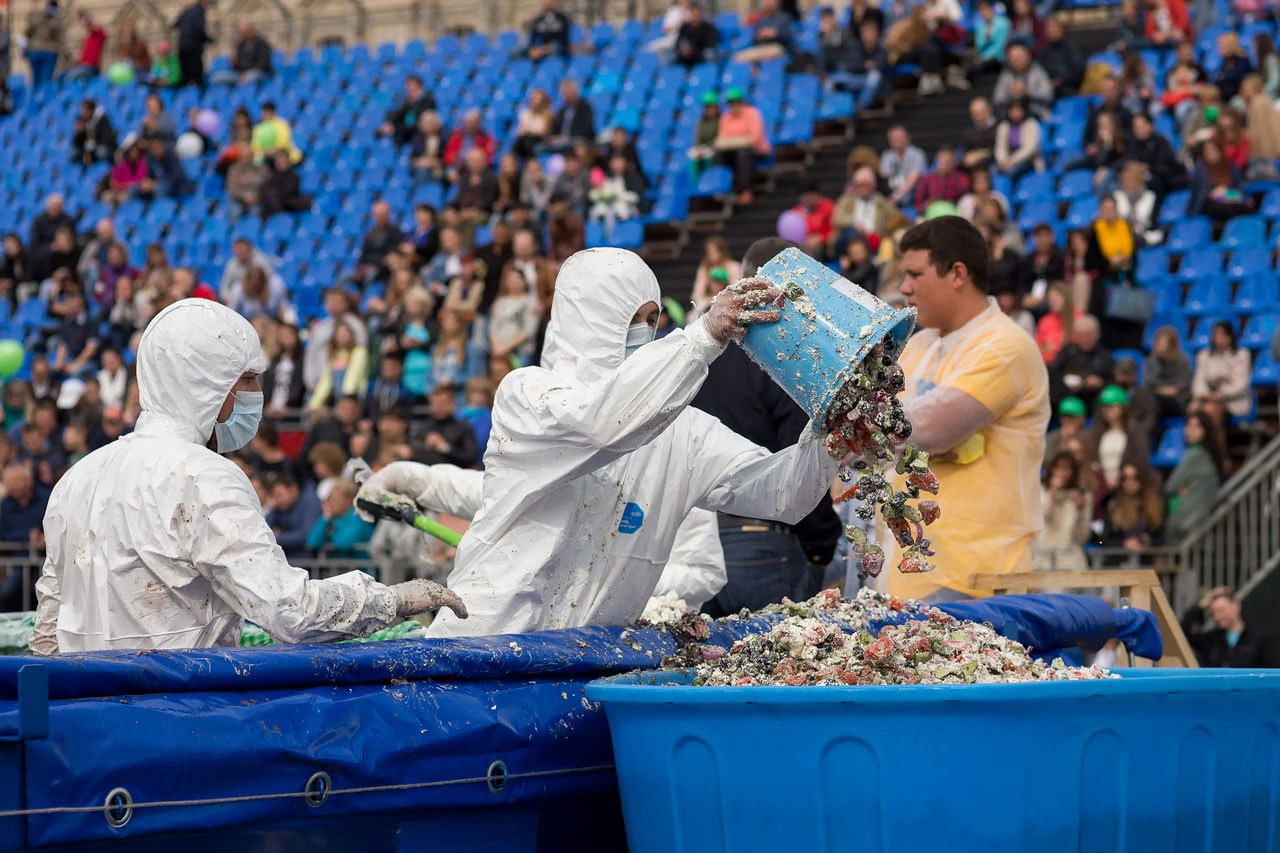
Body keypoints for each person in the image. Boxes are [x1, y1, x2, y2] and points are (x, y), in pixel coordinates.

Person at [357, 248, 835, 635]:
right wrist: (703, 337)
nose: (648, 331)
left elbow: (784, 493)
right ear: (592, 319)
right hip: (485, 654)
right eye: (635, 318)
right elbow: (602, 424)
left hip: (584, 667)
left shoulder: (685, 430)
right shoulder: (528, 394)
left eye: (654, 318)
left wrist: (832, 433)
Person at [31, 299, 465, 654]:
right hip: (180, 723)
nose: (257, 395)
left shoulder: (76, 477)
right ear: (211, 388)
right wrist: (395, 600)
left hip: (82, 724)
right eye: (249, 379)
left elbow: (48, 632)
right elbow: (288, 611)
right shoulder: (203, 476)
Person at [888, 216, 1050, 602]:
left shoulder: (1006, 346)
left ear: (958, 274)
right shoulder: (917, 345)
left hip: (978, 579)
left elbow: (927, 428)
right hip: (907, 576)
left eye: (915, 274)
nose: (903, 288)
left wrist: (864, 423)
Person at [690, 238, 841, 615]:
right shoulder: (788, 357)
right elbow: (803, 456)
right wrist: (823, 544)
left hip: (699, 543)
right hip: (767, 542)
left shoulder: (701, 350)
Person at [1164, 411, 1224, 543]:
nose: (1190, 431)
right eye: (1188, 426)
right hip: (1196, 521)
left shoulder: (1196, 454)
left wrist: (1182, 488)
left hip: (1185, 522)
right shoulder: (1207, 455)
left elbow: (1170, 486)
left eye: (1196, 427)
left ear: (1205, 431)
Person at [1180, 587, 1275, 668]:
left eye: (1221, 610)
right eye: (1213, 612)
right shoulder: (1212, 639)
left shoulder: (1259, 637)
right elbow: (1181, 635)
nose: (1217, 617)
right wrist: (1200, 605)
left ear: (1236, 607)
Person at [1033, 451, 1092, 573]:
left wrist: (1081, 511)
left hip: (1070, 561)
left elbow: (1082, 536)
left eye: (1066, 469)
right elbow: (1038, 522)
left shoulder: (1082, 495)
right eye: (1058, 468)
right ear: (1052, 469)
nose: (1062, 474)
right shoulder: (1041, 491)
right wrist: (1052, 493)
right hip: (1044, 559)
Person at [714, 87, 770, 205]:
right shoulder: (726, 116)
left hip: (757, 151)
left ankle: (745, 190)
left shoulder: (753, 113)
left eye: (736, 101)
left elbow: (754, 139)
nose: (733, 105)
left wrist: (733, 142)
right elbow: (721, 139)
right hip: (733, 151)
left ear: (742, 101)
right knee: (718, 155)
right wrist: (738, 141)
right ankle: (720, 189)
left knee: (743, 154)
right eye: (731, 102)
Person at [1190, 320, 1252, 426]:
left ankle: (1214, 442)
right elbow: (1198, 382)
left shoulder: (1241, 354)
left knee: (1211, 410)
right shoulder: (1204, 355)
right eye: (1216, 335)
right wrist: (1205, 394)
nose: (1218, 339)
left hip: (1232, 401)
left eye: (1222, 335)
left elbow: (1241, 384)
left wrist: (1224, 393)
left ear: (1230, 336)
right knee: (1194, 411)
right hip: (1207, 399)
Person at [265, 473, 323, 560]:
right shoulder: (278, 507)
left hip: (306, 562)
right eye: (274, 497)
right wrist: (273, 508)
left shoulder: (311, 502)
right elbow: (264, 531)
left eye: (279, 495)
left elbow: (305, 536)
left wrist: (275, 537)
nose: (277, 500)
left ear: (293, 488)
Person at [992, 43, 1053, 121]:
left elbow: (1048, 95)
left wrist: (1027, 92)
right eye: (1014, 59)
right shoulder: (1005, 75)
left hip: (1036, 116)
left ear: (1028, 57)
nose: (1017, 61)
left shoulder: (1037, 71)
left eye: (1020, 58)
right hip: (1011, 118)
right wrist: (1008, 93)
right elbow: (996, 99)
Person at [1145, 325, 1192, 422]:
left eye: (1163, 343)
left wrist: (1171, 390)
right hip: (1155, 398)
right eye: (1158, 343)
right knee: (1148, 402)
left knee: (1152, 404)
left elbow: (1183, 385)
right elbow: (1148, 383)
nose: (1160, 347)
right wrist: (1165, 390)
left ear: (1172, 345)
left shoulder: (1182, 361)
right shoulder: (1151, 360)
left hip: (1176, 401)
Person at [380, 75, 437, 147]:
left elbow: (423, 120)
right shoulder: (409, 100)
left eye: (411, 86)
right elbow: (399, 113)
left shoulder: (428, 99)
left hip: (420, 131)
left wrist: (395, 128)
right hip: (409, 130)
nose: (409, 90)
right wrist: (390, 122)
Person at [994, 98, 1043, 180]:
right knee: (993, 170)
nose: (1014, 112)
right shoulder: (1003, 126)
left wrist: (1012, 161)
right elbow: (1000, 148)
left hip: (1026, 161)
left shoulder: (1031, 124)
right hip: (1006, 161)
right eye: (1012, 109)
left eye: (1017, 109)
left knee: (1011, 171)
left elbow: (1030, 149)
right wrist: (1003, 161)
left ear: (1024, 110)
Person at [913, 146, 969, 211]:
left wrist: (947, 202)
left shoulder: (962, 178)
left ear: (954, 162)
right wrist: (927, 204)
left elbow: (965, 199)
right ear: (937, 160)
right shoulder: (927, 179)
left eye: (948, 161)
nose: (945, 163)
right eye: (943, 160)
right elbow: (918, 203)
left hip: (954, 211)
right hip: (931, 212)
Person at [173, 0, 213, 88]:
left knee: (185, 76)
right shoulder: (199, 11)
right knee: (197, 75)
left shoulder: (187, 10)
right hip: (193, 48)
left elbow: (175, 24)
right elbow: (199, 29)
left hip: (182, 46)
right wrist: (209, 40)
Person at [675, 2, 719, 67]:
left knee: (709, 54)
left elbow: (711, 44)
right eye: (693, 13)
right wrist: (683, 50)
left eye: (697, 13)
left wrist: (694, 49)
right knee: (671, 56)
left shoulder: (709, 28)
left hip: (700, 55)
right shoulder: (684, 28)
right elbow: (678, 43)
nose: (695, 16)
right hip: (685, 57)